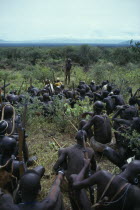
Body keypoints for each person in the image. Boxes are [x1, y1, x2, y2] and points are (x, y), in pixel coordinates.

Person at [71, 159, 140, 210]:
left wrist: (85, 166)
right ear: (136, 179)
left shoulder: (103, 175)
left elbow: (75, 184)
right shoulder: (136, 193)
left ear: (126, 167)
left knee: (73, 177)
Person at [53, 130, 96, 210]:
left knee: (61, 151)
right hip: (84, 180)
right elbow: (94, 168)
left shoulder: (68, 149)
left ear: (75, 138)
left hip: (71, 180)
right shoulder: (91, 151)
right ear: (86, 140)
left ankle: (63, 182)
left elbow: (55, 167)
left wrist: (61, 171)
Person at [0, 169, 64, 210]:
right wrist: (60, 173)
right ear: (39, 191)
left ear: (19, 192)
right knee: (58, 194)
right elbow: (56, 186)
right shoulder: (46, 204)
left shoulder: (8, 206)